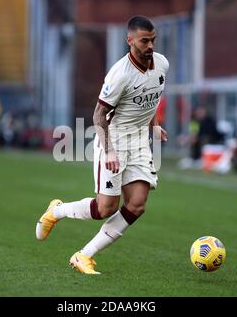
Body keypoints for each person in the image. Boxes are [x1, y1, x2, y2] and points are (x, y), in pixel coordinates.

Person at [35, 16, 169, 274]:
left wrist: (154, 125)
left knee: (137, 204)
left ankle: (83, 255)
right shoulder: (120, 74)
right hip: (114, 140)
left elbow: (150, 99)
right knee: (105, 207)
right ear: (129, 41)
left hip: (140, 141)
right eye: (144, 40)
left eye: (153, 39)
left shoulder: (162, 63)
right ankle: (58, 210)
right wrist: (108, 150)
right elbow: (98, 114)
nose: (150, 45)